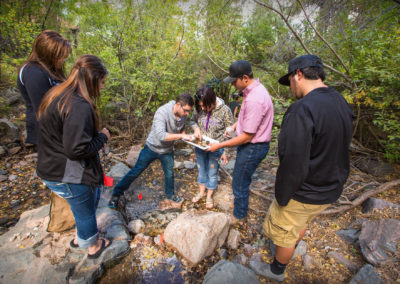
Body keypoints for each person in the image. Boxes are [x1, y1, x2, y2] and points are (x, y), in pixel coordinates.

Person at [249, 55, 354, 282]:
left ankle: (276, 270)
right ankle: (293, 245)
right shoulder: (340, 101)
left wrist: (282, 196)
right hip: (331, 188)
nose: (291, 89)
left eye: (290, 82)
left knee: (285, 231)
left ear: (299, 74)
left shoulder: (302, 109)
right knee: (302, 223)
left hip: (304, 190)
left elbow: (292, 161)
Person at [36, 55, 112, 258]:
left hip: (49, 165)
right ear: (92, 80)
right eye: (102, 82)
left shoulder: (57, 93)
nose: (103, 87)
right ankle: (93, 246)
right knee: (85, 211)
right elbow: (77, 150)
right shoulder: (79, 106)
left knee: (84, 205)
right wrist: (103, 137)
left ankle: (80, 237)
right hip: (66, 172)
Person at [207, 60, 274, 224]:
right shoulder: (253, 91)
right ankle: (240, 210)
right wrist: (234, 126)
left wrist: (219, 145)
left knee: (239, 182)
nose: (233, 85)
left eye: (234, 81)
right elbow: (249, 119)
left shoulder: (255, 99)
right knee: (241, 178)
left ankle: (238, 216)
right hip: (252, 144)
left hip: (253, 146)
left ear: (245, 78)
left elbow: (246, 136)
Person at [108, 93, 194, 208]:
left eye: (189, 111)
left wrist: (186, 135)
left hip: (167, 150)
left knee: (169, 174)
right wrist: (181, 136)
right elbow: (161, 135)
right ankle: (116, 194)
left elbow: (182, 127)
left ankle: (170, 195)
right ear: (178, 105)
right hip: (152, 148)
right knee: (135, 172)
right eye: (186, 111)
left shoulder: (183, 114)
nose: (187, 114)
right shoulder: (162, 112)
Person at [17, 30, 71, 146]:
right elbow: (44, 109)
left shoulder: (51, 71)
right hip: (48, 135)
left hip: (59, 131)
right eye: (61, 56)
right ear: (48, 54)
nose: (64, 59)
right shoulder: (33, 73)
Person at [190, 86, 233, 209]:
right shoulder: (199, 107)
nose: (202, 109)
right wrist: (196, 128)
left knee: (212, 172)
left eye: (205, 106)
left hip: (217, 146)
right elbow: (192, 121)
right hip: (200, 145)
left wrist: (226, 152)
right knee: (201, 169)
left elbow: (231, 133)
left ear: (213, 101)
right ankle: (201, 192)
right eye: (200, 106)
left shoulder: (225, 111)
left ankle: (209, 196)